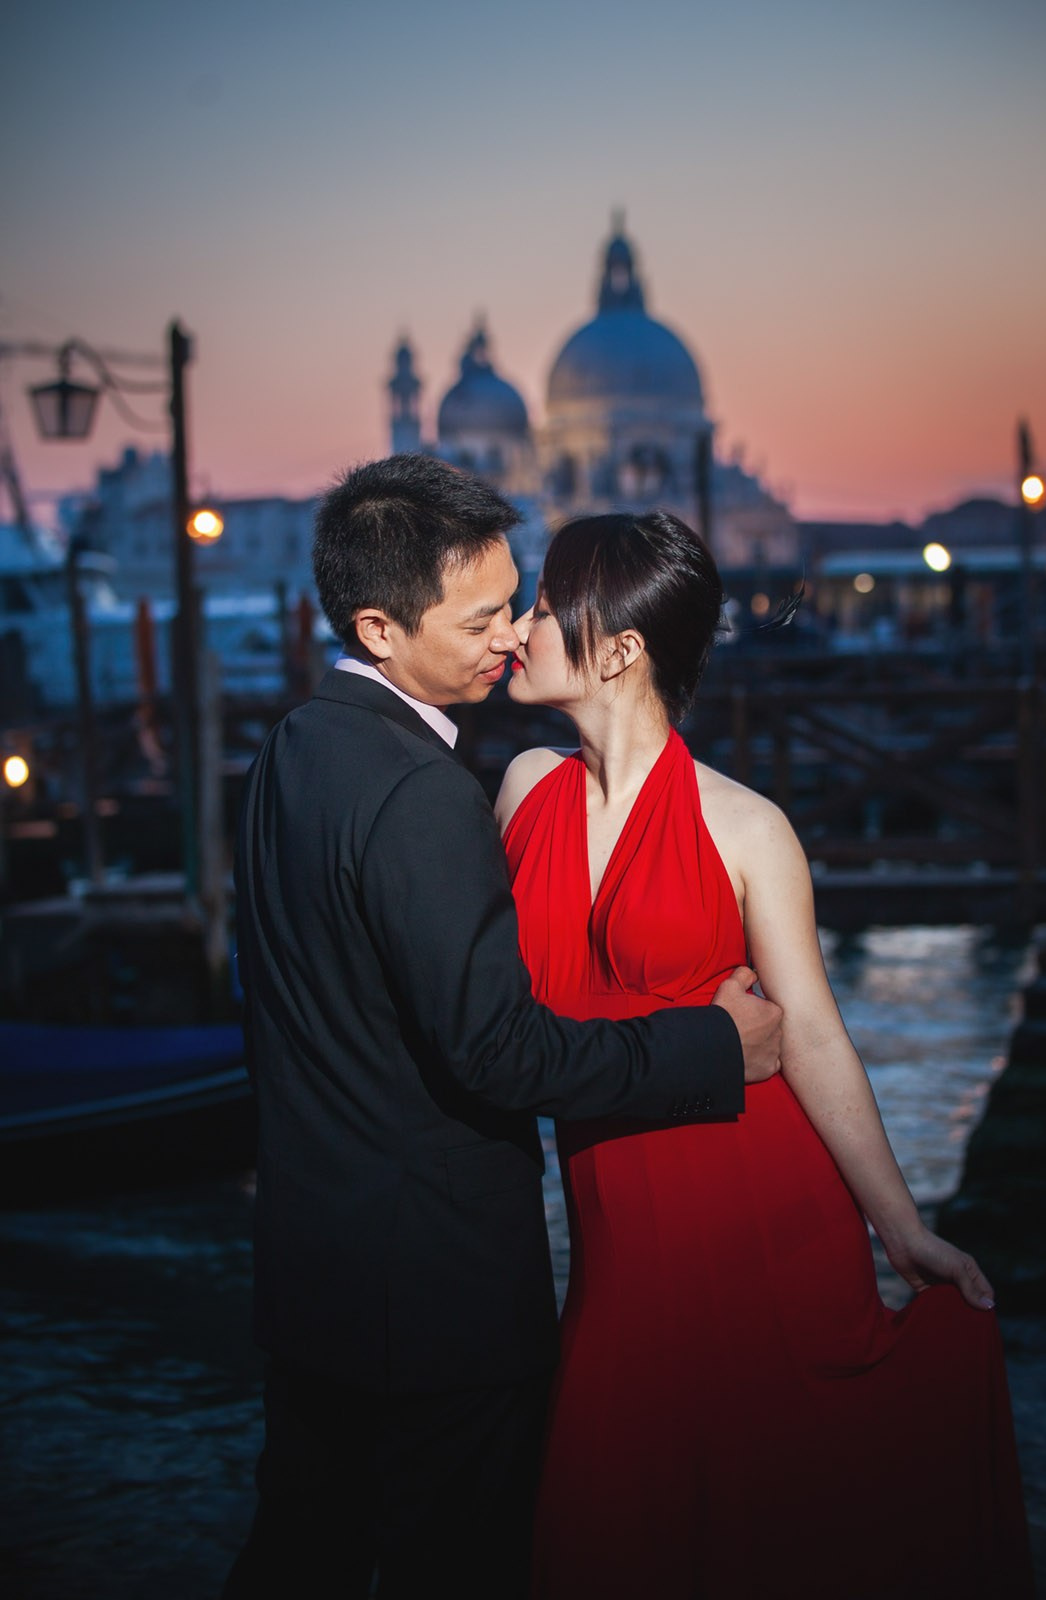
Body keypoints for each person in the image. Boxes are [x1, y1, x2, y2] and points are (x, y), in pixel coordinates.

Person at [222, 457, 783, 1600]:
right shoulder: (422, 792)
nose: (514, 634)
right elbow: (499, 1050)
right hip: (436, 1300)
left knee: (298, 1562)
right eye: (483, 618)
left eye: (515, 600)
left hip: (310, 1274)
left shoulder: (291, 749)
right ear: (378, 625)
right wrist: (708, 1046)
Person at [498, 509, 1034, 1600]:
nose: (517, 627)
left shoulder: (745, 829)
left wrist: (901, 1226)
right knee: (608, 1525)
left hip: (756, 1209)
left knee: (765, 1524)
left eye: (544, 609)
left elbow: (817, 1035)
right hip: (612, 1245)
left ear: (618, 648)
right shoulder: (517, 793)